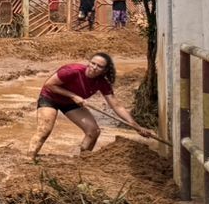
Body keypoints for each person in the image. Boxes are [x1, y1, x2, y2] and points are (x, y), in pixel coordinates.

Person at [29, 51, 157, 159]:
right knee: (44, 130)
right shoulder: (72, 71)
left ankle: (83, 161)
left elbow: (116, 106)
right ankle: (29, 158)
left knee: (93, 131)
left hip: (71, 103)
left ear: (105, 70)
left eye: (99, 66)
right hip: (51, 97)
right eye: (93, 63)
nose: (94, 68)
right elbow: (49, 85)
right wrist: (73, 96)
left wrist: (136, 126)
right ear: (88, 63)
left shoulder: (102, 82)